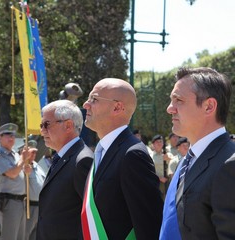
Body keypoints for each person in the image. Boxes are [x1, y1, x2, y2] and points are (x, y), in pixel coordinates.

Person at [82, 78, 163, 239]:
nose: (86, 104)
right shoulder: (103, 150)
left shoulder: (133, 154)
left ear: (117, 107)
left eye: (94, 99)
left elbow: (149, 224)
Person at [160, 67, 235, 240]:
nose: (170, 109)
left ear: (209, 106)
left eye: (178, 100)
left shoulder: (230, 165)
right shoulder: (188, 160)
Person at [36, 100, 93, 240]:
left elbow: (92, 217)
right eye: (41, 125)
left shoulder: (83, 160)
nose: (42, 130)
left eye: (46, 124)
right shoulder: (62, 157)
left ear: (68, 125)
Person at [0, 123, 34, 240]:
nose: (11, 138)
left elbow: (19, 173)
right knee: (9, 237)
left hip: (21, 201)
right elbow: (12, 174)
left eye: (12, 135)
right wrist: (23, 159)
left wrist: (27, 170)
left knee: (20, 237)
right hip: (8, 201)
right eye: (7, 135)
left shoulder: (15, 155)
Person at [23, 141, 46, 240]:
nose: (34, 154)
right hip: (29, 206)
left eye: (35, 152)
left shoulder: (38, 166)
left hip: (40, 206)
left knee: (35, 235)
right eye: (31, 152)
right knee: (25, 235)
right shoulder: (23, 166)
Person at [151, 134, 173, 199]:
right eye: (157, 142)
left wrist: (169, 159)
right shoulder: (150, 156)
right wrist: (159, 178)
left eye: (161, 141)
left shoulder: (168, 154)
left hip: (167, 182)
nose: (159, 143)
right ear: (153, 144)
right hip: (156, 183)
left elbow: (175, 163)